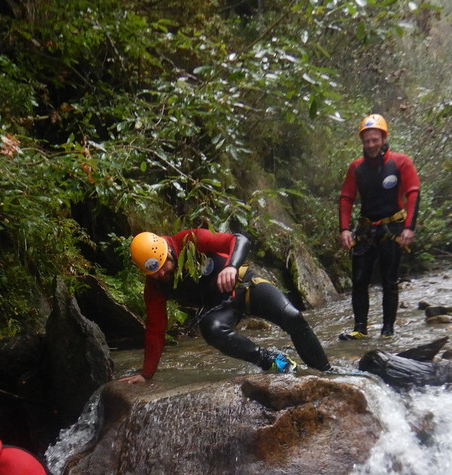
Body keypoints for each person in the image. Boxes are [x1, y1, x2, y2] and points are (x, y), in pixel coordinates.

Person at [120, 228, 332, 383]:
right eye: (153, 273)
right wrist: (145, 374)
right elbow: (155, 330)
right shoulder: (155, 286)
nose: (161, 274)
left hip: (244, 287)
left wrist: (231, 266)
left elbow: (239, 240)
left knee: (293, 317)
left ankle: (327, 373)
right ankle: (271, 360)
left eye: (162, 266)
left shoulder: (190, 240)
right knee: (211, 329)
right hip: (219, 309)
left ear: (167, 251)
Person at [338, 113, 420, 340]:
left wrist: (409, 227)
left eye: (375, 140)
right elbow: (346, 198)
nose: (371, 145)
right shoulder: (357, 168)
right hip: (365, 230)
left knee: (389, 281)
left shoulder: (401, 162)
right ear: (362, 142)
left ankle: (387, 330)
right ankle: (360, 328)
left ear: (384, 138)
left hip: (392, 229)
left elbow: (413, 192)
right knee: (359, 281)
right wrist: (344, 229)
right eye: (367, 141)